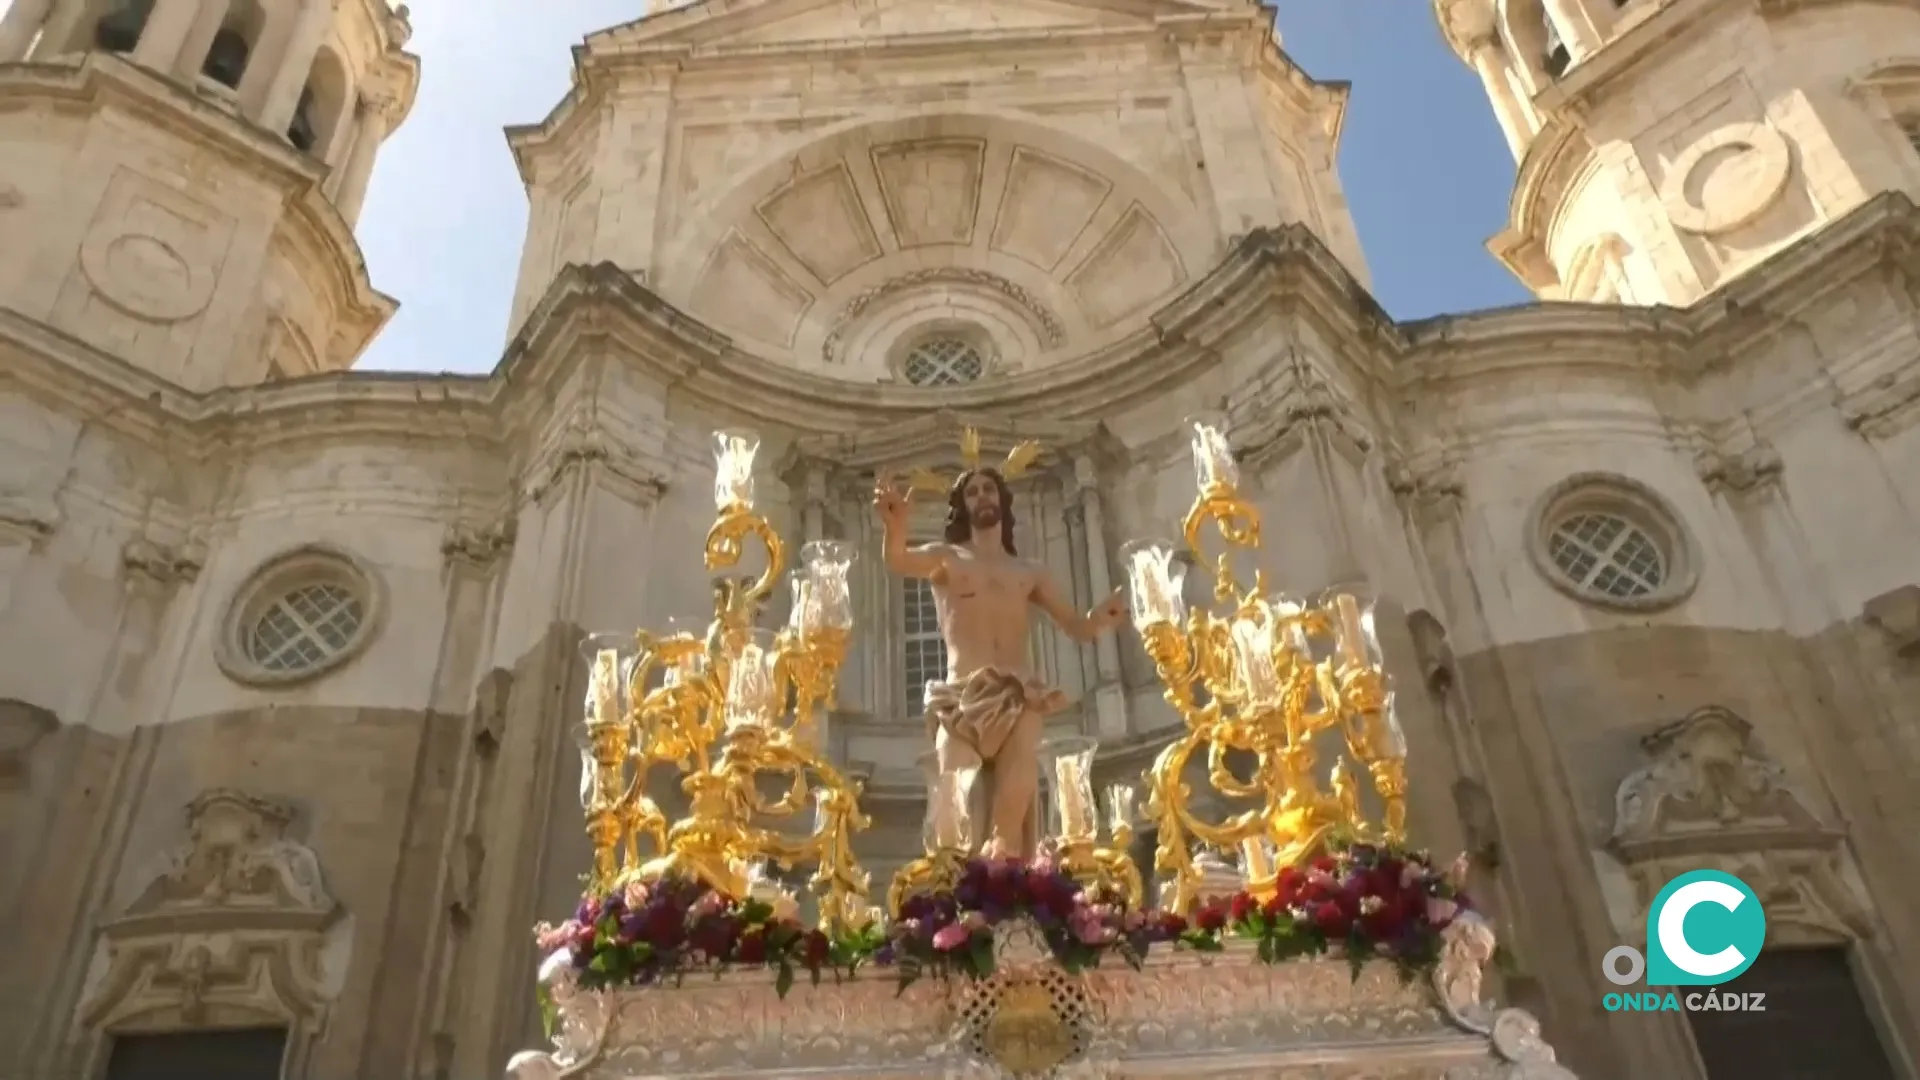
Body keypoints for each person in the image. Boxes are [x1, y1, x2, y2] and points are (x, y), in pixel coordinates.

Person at [873, 465, 1127, 859]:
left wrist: (1100, 619)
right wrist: (896, 527)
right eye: (972, 492)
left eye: (988, 489)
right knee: (951, 783)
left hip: (1016, 688)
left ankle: (1003, 854)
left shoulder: (1028, 571)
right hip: (961, 692)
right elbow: (899, 561)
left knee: (1019, 768)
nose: (981, 497)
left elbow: (1075, 625)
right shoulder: (947, 558)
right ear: (962, 506)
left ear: (1003, 500)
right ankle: (955, 874)